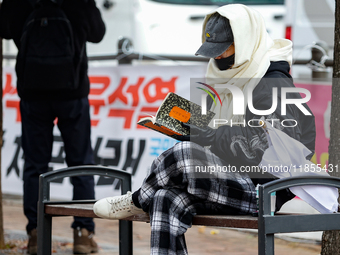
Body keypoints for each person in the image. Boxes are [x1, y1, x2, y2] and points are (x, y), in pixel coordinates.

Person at [93, 4, 316, 255]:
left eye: (223, 49)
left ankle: (135, 200)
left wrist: (211, 136)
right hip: (228, 179)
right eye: (213, 51)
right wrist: (196, 126)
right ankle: (146, 198)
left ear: (244, 41)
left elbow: (277, 145)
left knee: (184, 154)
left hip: (264, 191)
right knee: (165, 199)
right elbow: (222, 133)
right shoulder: (222, 76)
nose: (218, 57)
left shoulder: (273, 82)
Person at [0, 0, 105, 254]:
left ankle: (36, 233)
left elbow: (3, 28)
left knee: (35, 165)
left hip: (33, 94)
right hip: (72, 93)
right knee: (80, 162)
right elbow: (98, 33)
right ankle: (82, 232)